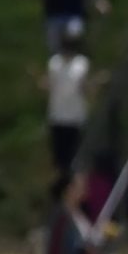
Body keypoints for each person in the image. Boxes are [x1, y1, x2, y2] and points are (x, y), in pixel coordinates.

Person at [42, 22, 97, 178]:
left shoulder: (74, 64)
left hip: (70, 117)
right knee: (63, 159)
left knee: (71, 159)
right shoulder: (59, 63)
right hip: (62, 117)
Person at [10, 0, 110, 53]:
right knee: (55, 49)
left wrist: (98, 1)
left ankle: (76, 64)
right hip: (53, 14)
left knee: (74, 35)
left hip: (74, 13)